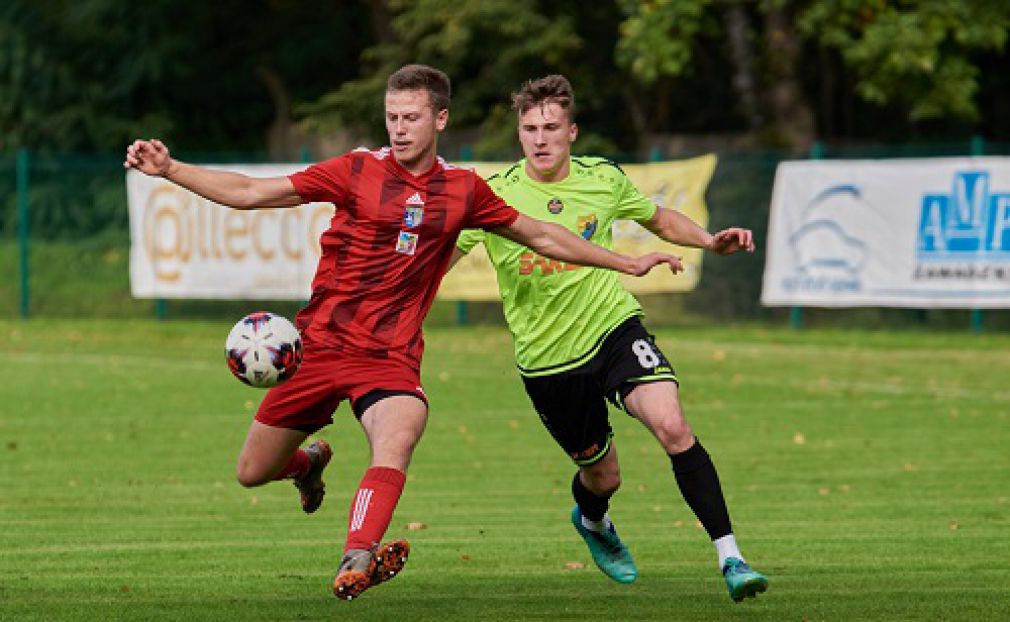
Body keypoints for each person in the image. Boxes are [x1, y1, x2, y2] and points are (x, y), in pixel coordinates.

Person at [124, 65, 682, 602]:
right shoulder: (356, 170)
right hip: (317, 346)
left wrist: (621, 262)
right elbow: (251, 193)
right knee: (253, 472)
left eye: (411, 116)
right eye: (392, 116)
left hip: (388, 356)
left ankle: (357, 555)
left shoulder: (464, 191)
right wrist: (171, 169)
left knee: (400, 432)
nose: (398, 127)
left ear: (440, 120)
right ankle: (308, 465)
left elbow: (542, 235)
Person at [450, 74, 769, 602]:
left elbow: (659, 218)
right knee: (604, 477)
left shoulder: (602, 178)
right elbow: (443, 258)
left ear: (572, 132)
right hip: (548, 362)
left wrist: (710, 241)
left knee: (672, 424)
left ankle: (730, 557)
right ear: (519, 133)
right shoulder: (493, 196)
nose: (540, 138)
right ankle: (593, 522)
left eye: (551, 127)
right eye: (529, 128)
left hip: (612, 327)